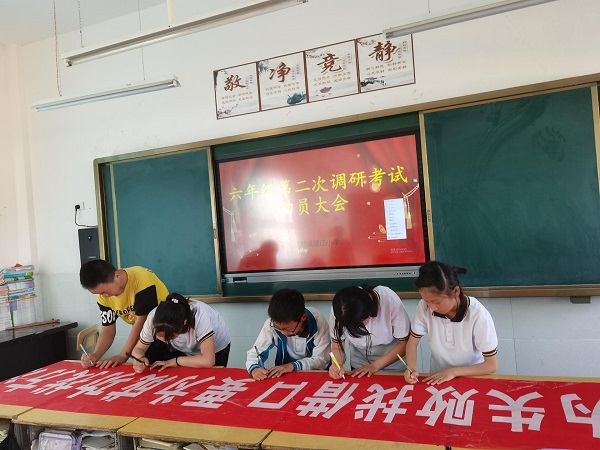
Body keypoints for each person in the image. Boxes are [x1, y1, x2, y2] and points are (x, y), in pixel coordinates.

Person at [404, 260, 498, 386]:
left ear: (456, 292)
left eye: (436, 302)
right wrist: (411, 368)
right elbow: (412, 343)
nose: (432, 307)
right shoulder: (424, 307)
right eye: (427, 301)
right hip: (438, 379)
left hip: (472, 379)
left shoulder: (477, 315)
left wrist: (453, 372)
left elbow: (491, 365)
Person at [79, 259, 169, 368]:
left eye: (104, 291)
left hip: (170, 333)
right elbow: (108, 329)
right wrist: (96, 355)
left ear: (116, 275)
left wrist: (123, 355)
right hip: (146, 338)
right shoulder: (103, 298)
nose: (104, 296)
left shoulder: (142, 281)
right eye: (99, 293)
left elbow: (141, 322)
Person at [131, 292, 231, 373]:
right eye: (161, 336)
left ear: (184, 323)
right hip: (184, 349)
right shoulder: (153, 319)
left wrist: (175, 361)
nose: (166, 340)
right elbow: (139, 348)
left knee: (209, 378)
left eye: (171, 336)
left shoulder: (199, 316)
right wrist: (139, 357)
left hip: (216, 347)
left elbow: (208, 360)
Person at [246, 288, 330, 380]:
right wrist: (254, 368)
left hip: (314, 376)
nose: (283, 333)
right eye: (279, 329)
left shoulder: (317, 321)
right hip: (284, 375)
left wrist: (293, 366)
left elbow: (321, 360)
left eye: (288, 329)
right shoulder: (272, 324)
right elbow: (256, 351)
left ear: (303, 317)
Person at [329, 285, 411, 379]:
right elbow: (337, 345)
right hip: (360, 367)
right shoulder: (340, 310)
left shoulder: (389, 300)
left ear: (369, 313)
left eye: (359, 324)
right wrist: (337, 364)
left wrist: (375, 366)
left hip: (394, 366)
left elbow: (404, 343)